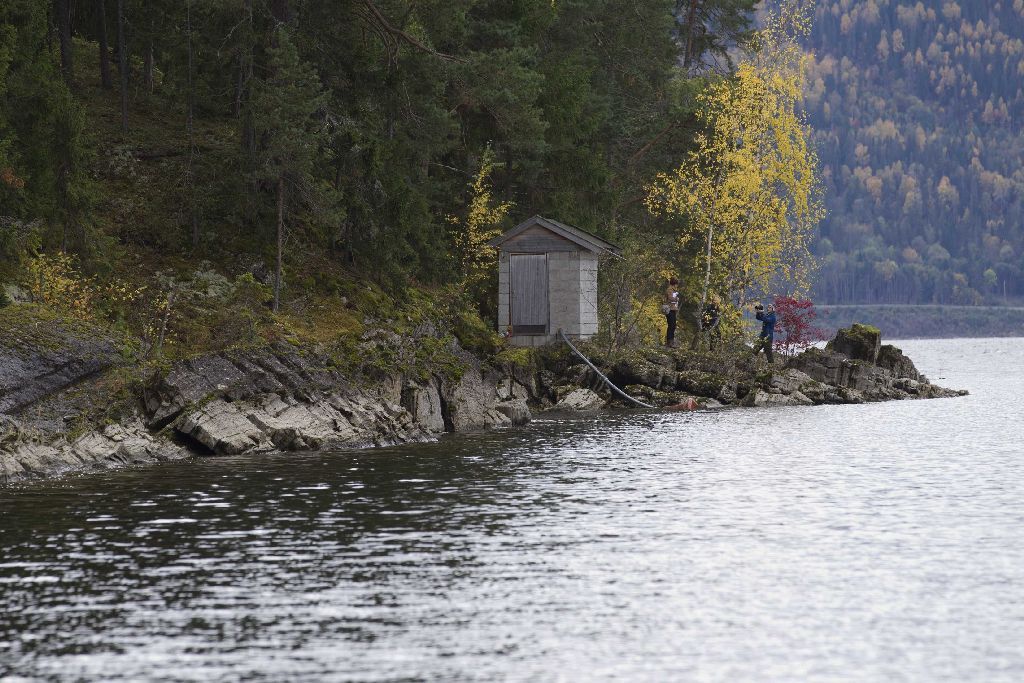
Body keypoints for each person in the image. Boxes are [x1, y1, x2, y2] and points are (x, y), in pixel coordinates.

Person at [663, 277, 680, 347]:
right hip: (669, 309)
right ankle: (669, 342)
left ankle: (671, 342)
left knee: (673, 325)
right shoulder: (670, 290)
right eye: (676, 284)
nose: (677, 285)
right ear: (674, 284)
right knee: (671, 325)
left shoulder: (673, 290)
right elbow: (670, 298)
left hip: (672, 309)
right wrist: (676, 299)